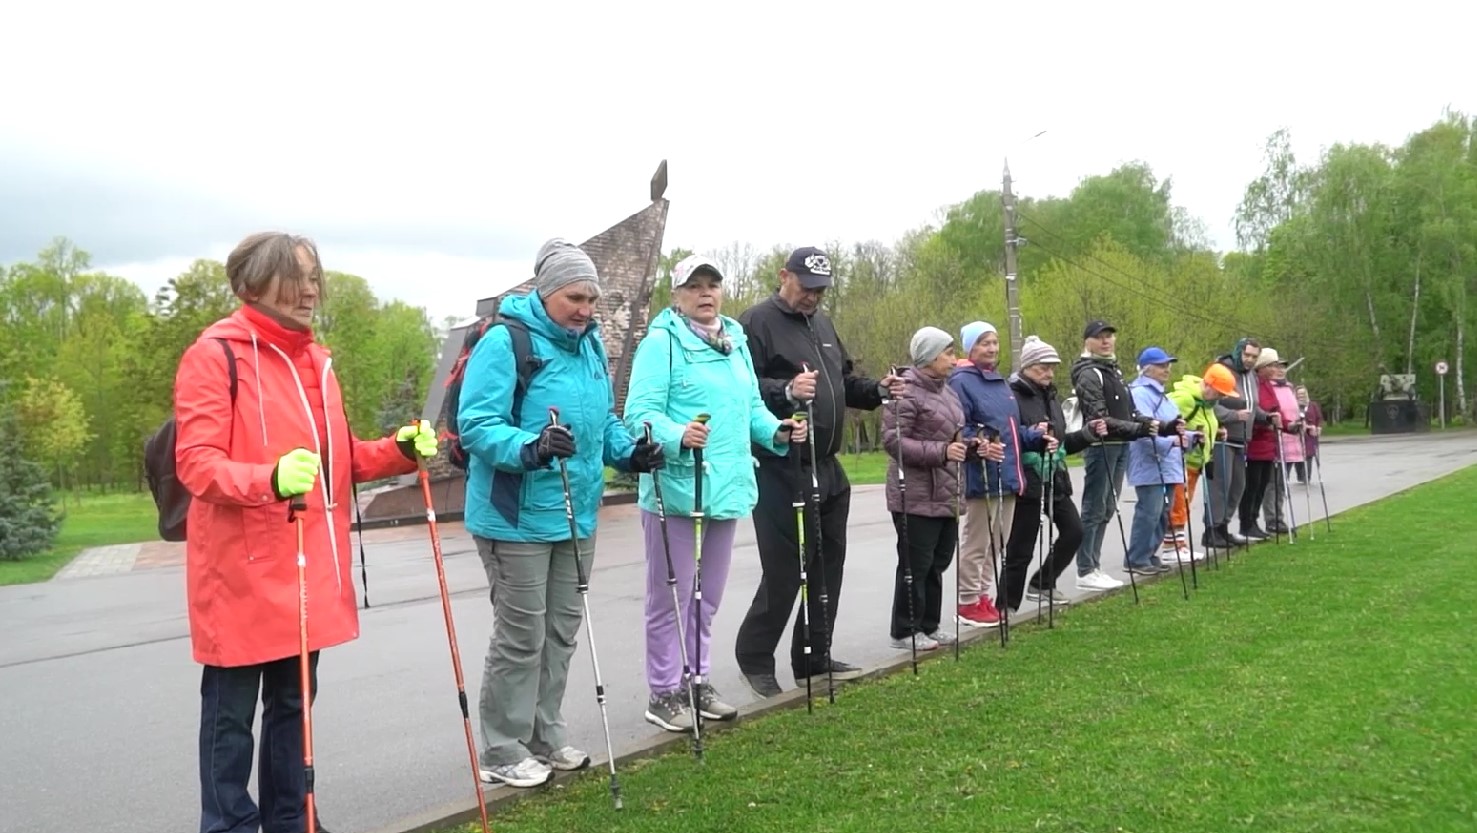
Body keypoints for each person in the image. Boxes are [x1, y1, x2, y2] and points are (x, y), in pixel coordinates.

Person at [174, 232, 438, 833]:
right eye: (296, 276)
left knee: (294, 708)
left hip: (303, 565)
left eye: (315, 276)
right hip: (240, 573)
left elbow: (338, 459)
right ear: (252, 284)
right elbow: (196, 463)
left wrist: (397, 450)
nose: (311, 288)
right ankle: (229, 824)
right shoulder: (215, 356)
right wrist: (268, 477)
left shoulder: (316, 364)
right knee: (230, 717)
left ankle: (293, 820)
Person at [457, 238, 664, 788]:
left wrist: (630, 453)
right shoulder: (506, 341)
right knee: (521, 636)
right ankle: (502, 747)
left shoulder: (588, 346)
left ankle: (544, 735)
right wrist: (531, 446)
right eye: (575, 297)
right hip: (515, 516)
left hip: (576, 516)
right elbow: (476, 423)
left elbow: (603, 422)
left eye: (592, 299)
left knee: (561, 633)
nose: (585, 309)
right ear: (547, 292)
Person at [622, 254, 806, 733]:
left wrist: (777, 431)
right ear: (676, 295)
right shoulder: (660, 344)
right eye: (694, 286)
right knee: (672, 596)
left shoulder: (734, 341)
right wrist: (677, 434)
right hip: (678, 487)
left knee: (707, 597)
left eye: (713, 284)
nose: (706, 293)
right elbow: (638, 413)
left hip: (725, 487)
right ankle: (664, 691)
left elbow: (748, 407)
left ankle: (697, 679)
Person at [734, 246, 904, 698]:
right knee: (787, 568)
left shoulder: (823, 325)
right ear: (783, 276)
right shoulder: (755, 322)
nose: (813, 297)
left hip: (827, 464)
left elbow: (842, 383)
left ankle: (813, 656)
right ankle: (754, 657)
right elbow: (743, 391)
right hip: (779, 464)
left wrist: (878, 390)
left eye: (821, 291)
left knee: (829, 565)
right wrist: (786, 390)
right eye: (807, 287)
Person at [883, 327, 968, 650]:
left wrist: (972, 448)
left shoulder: (948, 392)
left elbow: (954, 437)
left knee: (939, 561)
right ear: (929, 357)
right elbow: (894, 441)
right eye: (947, 352)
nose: (953, 358)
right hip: (915, 493)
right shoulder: (903, 391)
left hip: (947, 490)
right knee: (915, 564)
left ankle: (929, 625)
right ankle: (905, 630)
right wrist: (942, 452)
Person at [998, 336, 1097, 612]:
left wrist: (1087, 435)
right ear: (1027, 367)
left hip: (1055, 476)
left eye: (1052, 367)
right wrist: (1037, 441)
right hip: (1027, 478)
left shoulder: (1051, 397)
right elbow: (1011, 437)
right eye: (1043, 367)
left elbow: (1061, 442)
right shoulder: (1012, 395)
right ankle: (1006, 606)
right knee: (1021, 547)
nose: (1049, 373)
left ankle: (1042, 583)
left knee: (1075, 531)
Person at [946, 321, 1017, 629]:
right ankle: (967, 601)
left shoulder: (1000, 382)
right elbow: (959, 425)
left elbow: (1011, 427)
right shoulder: (962, 381)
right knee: (978, 541)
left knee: (997, 541)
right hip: (981, 471)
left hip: (1008, 470)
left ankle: (983, 595)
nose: (991, 348)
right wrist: (981, 440)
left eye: (995, 342)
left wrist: (1033, 435)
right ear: (970, 348)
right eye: (984, 343)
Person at [1070, 320, 1150, 591]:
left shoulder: (1112, 370)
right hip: (1101, 446)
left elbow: (1129, 411)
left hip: (1121, 444)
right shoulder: (1089, 373)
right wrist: (1138, 429)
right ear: (1087, 342)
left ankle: (1095, 564)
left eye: (1109, 337)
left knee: (1106, 507)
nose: (1106, 341)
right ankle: (1085, 569)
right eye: (1099, 337)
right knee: (1094, 508)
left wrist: (1150, 425)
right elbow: (1099, 416)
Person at [1122, 347, 1189, 575]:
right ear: (1147, 369)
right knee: (1149, 511)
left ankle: (1149, 554)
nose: (1167, 369)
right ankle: (1136, 558)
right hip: (1150, 462)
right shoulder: (1140, 393)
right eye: (1161, 365)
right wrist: (1169, 443)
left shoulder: (1162, 395)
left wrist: (1190, 437)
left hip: (1168, 463)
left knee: (1163, 512)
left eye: (1168, 364)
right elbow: (1145, 428)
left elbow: (1174, 426)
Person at [1164, 363, 1236, 563]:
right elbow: (1162, 420)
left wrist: (1217, 431)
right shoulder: (1186, 399)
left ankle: (1175, 544)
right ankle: (1173, 547)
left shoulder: (1206, 403)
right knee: (1178, 504)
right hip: (1180, 460)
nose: (1222, 397)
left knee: (1184, 504)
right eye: (1220, 392)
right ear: (1208, 385)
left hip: (1196, 462)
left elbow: (1202, 423)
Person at [1207, 337, 1265, 546]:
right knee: (1220, 485)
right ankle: (1212, 529)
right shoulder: (1221, 370)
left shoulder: (1251, 376)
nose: (1249, 360)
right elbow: (1209, 402)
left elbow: (1251, 406)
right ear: (1238, 352)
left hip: (1243, 438)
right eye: (1246, 355)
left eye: (1254, 357)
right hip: (1222, 436)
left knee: (1238, 486)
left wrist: (1266, 417)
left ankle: (1224, 525)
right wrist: (1232, 416)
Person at [1239, 347, 1297, 539]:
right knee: (1252, 487)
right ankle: (1247, 524)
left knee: (1262, 486)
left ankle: (1254, 522)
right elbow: (1254, 412)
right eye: (1272, 365)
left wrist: (1291, 426)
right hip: (1256, 443)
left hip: (1269, 445)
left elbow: (1275, 414)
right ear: (1263, 366)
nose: (1275, 368)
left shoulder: (1267, 385)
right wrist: (1267, 421)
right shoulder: (1253, 384)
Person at [1262, 358, 1302, 534]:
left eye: (1283, 367)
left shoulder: (1289, 388)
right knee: (1272, 483)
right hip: (1274, 441)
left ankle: (1279, 517)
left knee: (1281, 483)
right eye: (1276, 367)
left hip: (1291, 441)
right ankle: (1273, 519)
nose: (1280, 370)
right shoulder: (1267, 388)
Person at [1293, 385, 1324, 483]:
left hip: (1310, 434)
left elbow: (1319, 418)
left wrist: (1318, 427)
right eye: (1299, 394)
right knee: (1298, 455)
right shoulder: (1293, 405)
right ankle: (1300, 475)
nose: (1301, 396)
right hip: (1297, 433)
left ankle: (1307, 477)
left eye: (1302, 393)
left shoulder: (1313, 405)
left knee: (1309, 455)